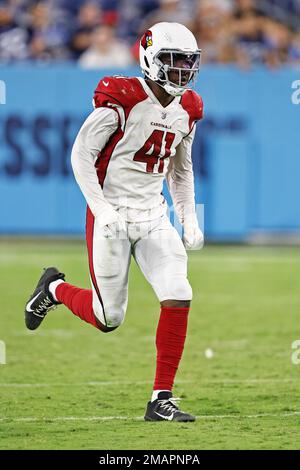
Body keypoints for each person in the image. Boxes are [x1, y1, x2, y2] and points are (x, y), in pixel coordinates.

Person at [24, 22, 204, 422]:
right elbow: (80, 156)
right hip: (113, 213)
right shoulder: (122, 99)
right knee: (109, 318)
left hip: (153, 214)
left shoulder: (188, 108)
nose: (181, 73)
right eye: (173, 64)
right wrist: (102, 209)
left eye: (187, 64)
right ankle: (54, 288)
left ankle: (161, 399)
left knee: (178, 292)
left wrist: (188, 216)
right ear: (150, 60)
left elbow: (181, 170)